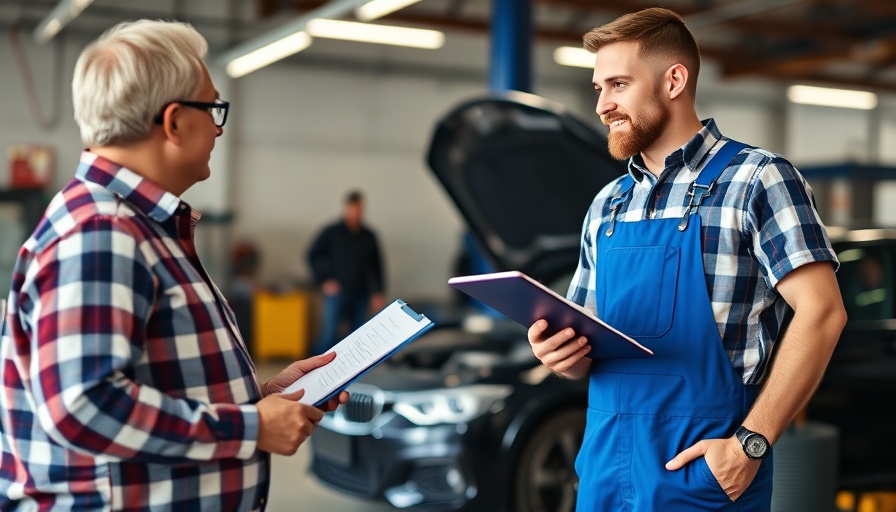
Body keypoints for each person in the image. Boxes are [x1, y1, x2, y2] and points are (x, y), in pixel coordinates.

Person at [0, 20, 347, 510]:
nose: (220, 127)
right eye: (214, 109)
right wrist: (253, 426)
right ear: (175, 122)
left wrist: (265, 395)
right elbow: (82, 407)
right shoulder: (102, 232)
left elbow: (156, 377)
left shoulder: (135, 226)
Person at [526, 8, 847, 511]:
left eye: (618, 84)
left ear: (674, 80)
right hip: (605, 466)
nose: (604, 105)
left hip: (703, 468)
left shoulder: (756, 179)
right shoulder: (608, 203)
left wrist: (751, 444)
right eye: (598, 89)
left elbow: (823, 312)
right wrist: (560, 356)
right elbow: (586, 345)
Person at [307, 191, 385, 355]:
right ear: (346, 208)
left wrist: (378, 292)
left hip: (361, 294)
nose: (357, 213)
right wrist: (323, 281)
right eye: (353, 208)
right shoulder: (332, 232)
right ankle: (314, 372)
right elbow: (312, 255)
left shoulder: (369, 236)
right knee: (329, 335)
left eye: (360, 209)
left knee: (357, 338)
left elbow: (377, 266)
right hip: (337, 293)